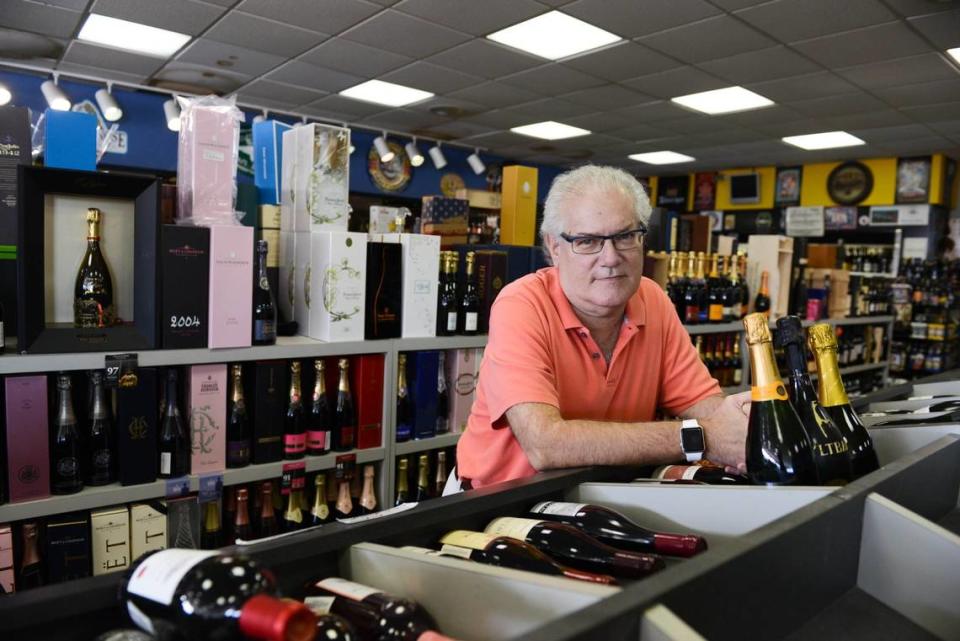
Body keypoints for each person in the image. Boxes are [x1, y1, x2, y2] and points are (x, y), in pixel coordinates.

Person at [454, 165, 749, 490]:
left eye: (624, 236)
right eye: (588, 241)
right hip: (496, 502)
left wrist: (744, 424)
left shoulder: (653, 300)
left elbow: (709, 406)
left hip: (600, 493)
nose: (610, 258)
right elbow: (545, 445)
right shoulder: (522, 305)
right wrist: (701, 437)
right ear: (554, 247)